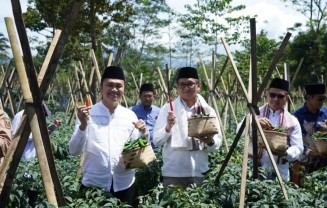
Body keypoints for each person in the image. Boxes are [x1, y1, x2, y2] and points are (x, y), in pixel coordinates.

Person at [69, 66, 149, 206]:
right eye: (110, 85)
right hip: (94, 185)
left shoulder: (129, 115)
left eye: (119, 86)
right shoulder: (89, 114)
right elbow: (74, 151)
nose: (114, 89)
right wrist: (82, 125)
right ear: (101, 87)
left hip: (124, 184)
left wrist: (144, 133)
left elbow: (139, 151)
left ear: (124, 88)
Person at [153, 66, 222, 188]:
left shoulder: (208, 110)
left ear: (198, 85)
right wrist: (168, 127)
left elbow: (217, 144)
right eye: (182, 84)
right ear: (177, 87)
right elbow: (157, 141)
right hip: (173, 173)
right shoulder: (168, 109)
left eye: (190, 84)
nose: (186, 88)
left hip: (199, 172)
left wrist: (210, 141)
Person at [237, 78, 303, 182]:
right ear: (267, 94)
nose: (276, 99)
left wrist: (286, 153)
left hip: (279, 172)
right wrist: (254, 123)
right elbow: (239, 132)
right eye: (272, 95)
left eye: (280, 96)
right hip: (254, 168)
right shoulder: (254, 114)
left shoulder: (292, 121)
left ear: (286, 98)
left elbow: (299, 149)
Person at [293, 83, 327, 176]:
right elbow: (291, 140)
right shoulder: (297, 116)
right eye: (320, 99)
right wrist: (309, 152)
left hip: (325, 162)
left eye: (324, 98)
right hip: (303, 162)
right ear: (309, 98)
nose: (322, 102)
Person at [129, 83, 161, 151]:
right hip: (137, 148)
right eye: (145, 96)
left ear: (153, 97)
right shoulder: (131, 111)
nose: (147, 98)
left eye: (150, 96)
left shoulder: (159, 112)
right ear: (140, 96)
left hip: (155, 148)